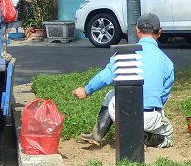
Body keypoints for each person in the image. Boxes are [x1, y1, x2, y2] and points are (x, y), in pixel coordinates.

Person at [73, 13, 175, 149]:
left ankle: (97, 135)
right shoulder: (167, 62)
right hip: (151, 117)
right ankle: (144, 137)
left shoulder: (125, 55)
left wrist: (86, 90)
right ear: (160, 32)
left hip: (124, 115)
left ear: (137, 30)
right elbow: (163, 96)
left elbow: (105, 77)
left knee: (111, 95)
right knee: (168, 137)